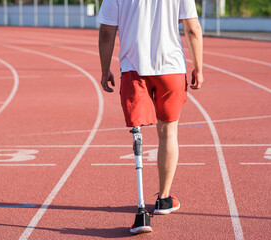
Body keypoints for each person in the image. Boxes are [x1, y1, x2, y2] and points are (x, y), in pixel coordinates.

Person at [97, 0, 203, 234]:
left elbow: (106, 32)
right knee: (168, 132)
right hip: (171, 68)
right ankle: (164, 199)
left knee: (137, 134)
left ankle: (141, 208)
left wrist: (105, 70)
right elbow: (193, 28)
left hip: (135, 67)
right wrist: (199, 67)